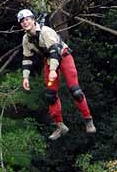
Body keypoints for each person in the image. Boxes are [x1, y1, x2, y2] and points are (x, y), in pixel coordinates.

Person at [17, 8, 96, 140]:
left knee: (75, 91)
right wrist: (25, 77)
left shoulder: (45, 32)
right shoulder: (26, 39)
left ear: (32, 19)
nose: (25, 23)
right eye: (22, 21)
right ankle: (60, 126)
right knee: (50, 95)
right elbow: (27, 58)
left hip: (63, 56)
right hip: (49, 61)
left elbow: (54, 51)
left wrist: (54, 70)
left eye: (27, 19)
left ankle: (88, 119)